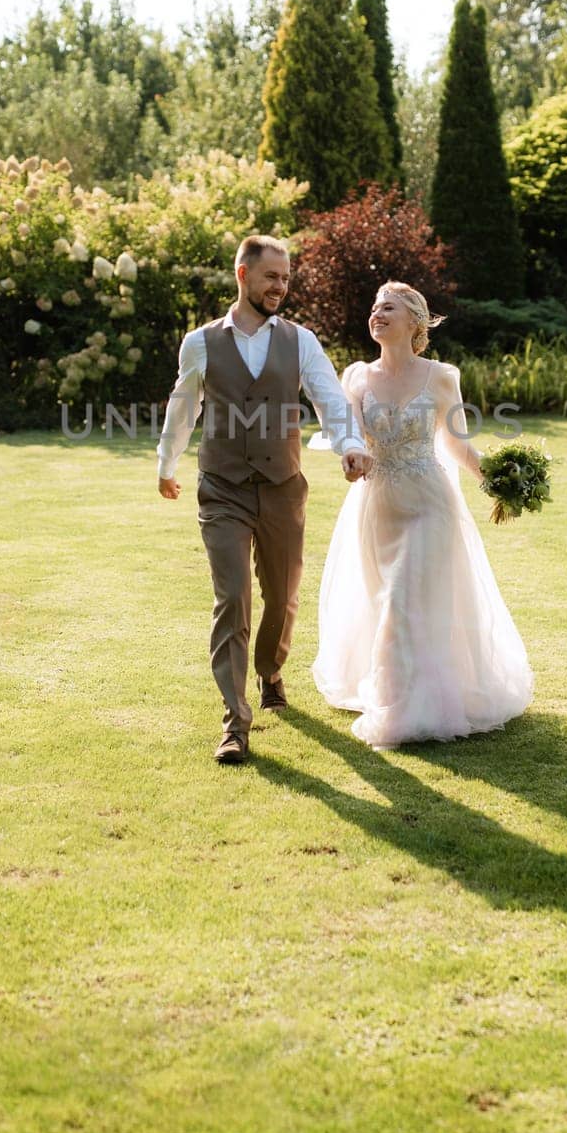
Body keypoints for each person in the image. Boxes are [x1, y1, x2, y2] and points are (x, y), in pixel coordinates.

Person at [158, 235, 371, 765]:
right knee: (233, 600)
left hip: (281, 488)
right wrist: (166, 464)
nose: (280, 286)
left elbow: (329, 396)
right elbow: (183, 407)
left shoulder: (300, 341)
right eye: (271, 276)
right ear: (242, 275)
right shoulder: (201, 342)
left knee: (282, 596)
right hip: (223, 487)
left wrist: (349, 445)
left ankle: (271, 668)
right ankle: (235, 722)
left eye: (285, 278)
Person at [312, 281, 534, 749]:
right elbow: (346, 433)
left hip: (429, 503)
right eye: (374, 307)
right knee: (384, 600)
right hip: (375, 505)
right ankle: (412, 691)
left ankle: (403, 714)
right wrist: (350, 458)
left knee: (403, 599)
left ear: (414, 320)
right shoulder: (355, 376)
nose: (377, 313)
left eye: (388, 307)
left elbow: (454, 442)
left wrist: (496, 480)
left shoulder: (441, 376)